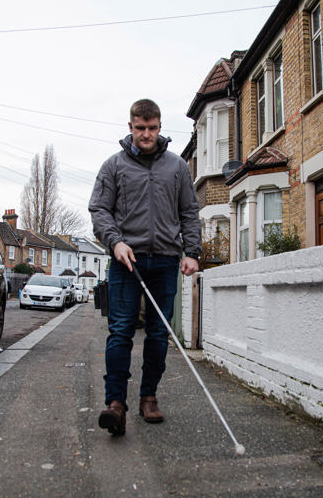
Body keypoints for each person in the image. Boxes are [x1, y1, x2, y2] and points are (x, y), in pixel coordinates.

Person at [89, 99, 201, 435]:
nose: (146, 134)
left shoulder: (177, 167)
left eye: (152, 128)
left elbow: (189, 213)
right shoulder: (114, 166)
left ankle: (148, 396)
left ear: (160, 127)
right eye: (140, 128)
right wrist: (115, 242)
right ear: (131, 127)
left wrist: (192, 251)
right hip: (127, 261)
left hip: (166, 261)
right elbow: (99, 211)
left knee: (157, 334)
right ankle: (116, 404)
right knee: (121, 331)